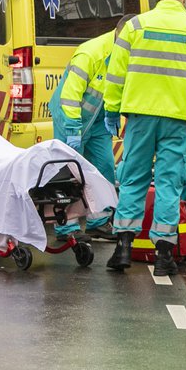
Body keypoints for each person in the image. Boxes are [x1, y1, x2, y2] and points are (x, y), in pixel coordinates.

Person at [102, 0, 186, 276]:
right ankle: (164, 254)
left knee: (133, 178)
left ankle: (123, 247)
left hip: (140, 114)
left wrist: (111, 109)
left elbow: (116, 73)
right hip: (179, 117)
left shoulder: (135, 26)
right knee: (169, 183)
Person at [49, 28, 120, 240]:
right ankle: (66, 226)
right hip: (70, 118)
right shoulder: (90, 54)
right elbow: (70, 96)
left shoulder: (124, 53)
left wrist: (113, 115)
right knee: (69, 172)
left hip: (98, 121)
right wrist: (72, 129)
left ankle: (98, 220)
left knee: (104, 167)